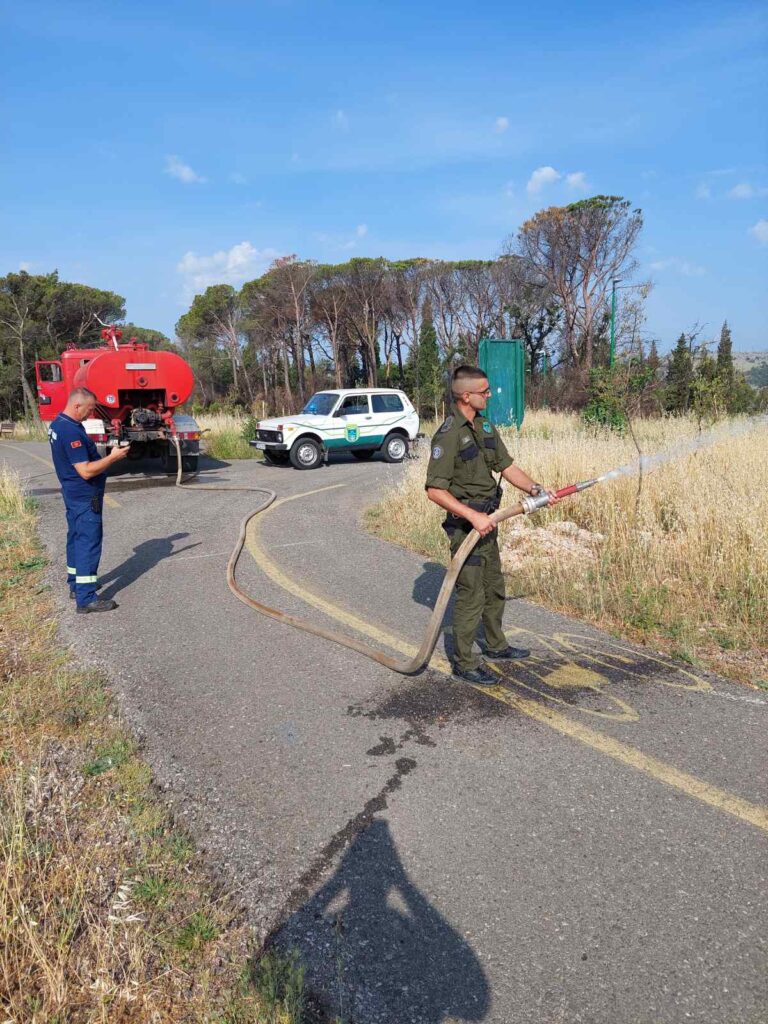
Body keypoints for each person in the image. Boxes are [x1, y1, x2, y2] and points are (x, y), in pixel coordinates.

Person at [425, 365, 559, 684]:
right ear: (467, 395)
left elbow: (507, 466)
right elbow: (435, 490)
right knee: (471, 593)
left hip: (489, 522)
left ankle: (496, 646)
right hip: (467, 526)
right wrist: (472, 516)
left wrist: (536, 489)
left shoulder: (484, 427)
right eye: (485, 391)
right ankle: (464, 661)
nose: (489, 395)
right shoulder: (448, 434)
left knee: (494, 587)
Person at [48, 387, 130, 613]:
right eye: (88, 409)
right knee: (88, 542)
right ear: (77, 406)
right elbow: (85, 471)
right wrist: (113, 458)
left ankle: (77, 584)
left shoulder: (58, 424)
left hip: (72, 493)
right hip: (85, 495)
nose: (90, 414)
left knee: (75, 537)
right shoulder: (71, 431)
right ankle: (86, 598)